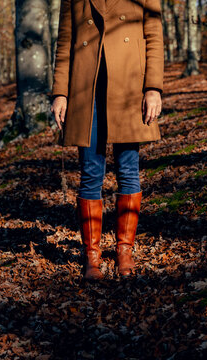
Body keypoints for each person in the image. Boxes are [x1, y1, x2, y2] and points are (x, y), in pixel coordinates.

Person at [50, 0, 164, 280]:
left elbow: (154, 37)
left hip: (128, 86)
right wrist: (60, 92)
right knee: (90, 174)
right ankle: (92, 256)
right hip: (85, 90)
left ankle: (125, 250)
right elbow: (65, 42)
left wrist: (153, 88)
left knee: (128, 171)